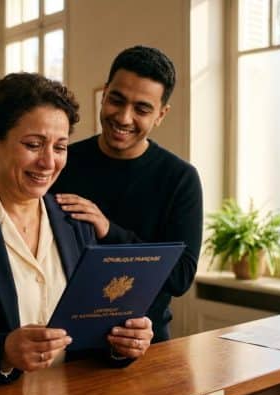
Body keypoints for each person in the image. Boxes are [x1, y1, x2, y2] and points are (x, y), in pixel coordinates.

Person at [0, 73, 154, 394]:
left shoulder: (76, 220)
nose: (48, 162)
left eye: (60, 147)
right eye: (33, 145)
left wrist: (123, 344)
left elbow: (92, 331)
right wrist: (3, 351)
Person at [51, 46, 203, 343]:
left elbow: (181, 276)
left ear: (161, 114)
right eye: (116, 100)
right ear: (105, 93)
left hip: (143, 343)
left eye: (142, 109)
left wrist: (109, 230)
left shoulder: (180, 179)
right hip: (62, 342)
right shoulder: (62, 162)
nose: (123, 117)